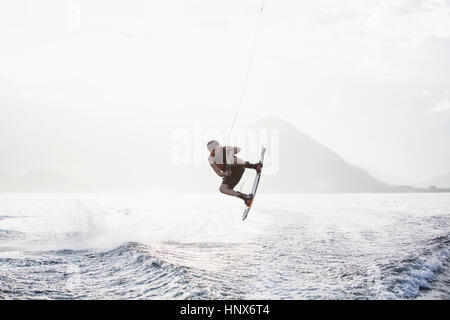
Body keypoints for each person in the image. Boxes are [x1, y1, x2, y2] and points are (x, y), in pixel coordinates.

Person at [207, 140, 262, 206]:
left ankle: (255, 166)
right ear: (212, 151)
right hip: (230, 174)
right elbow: (218, 172)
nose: (218, 149)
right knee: (222, 189)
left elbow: (238, 149)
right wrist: (224, 174)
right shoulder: (211, 159)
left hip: (239, 167)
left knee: (231, 160)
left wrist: (232, 150)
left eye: (218, 147)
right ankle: (245, 198)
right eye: (215, 150)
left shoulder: (225, 149)